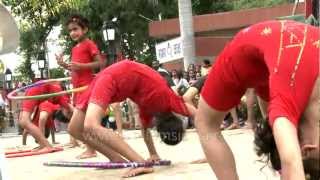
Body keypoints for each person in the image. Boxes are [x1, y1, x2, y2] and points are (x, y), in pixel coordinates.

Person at [195, 20, 319, 179]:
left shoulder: (287, 100)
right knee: (205, 123)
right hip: (244, 54)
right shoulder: (287, 100)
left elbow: (291, 161)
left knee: (281, 132)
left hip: (276, 56)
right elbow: (291, 162)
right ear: (306, 149)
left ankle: (285, 163)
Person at [68, 60, 195, 178]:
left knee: (76, 128)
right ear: (159, 127)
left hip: (114, 76)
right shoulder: (168, 99)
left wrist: (153, 154)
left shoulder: (152, 109)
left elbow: (144, 130)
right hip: (118, 75)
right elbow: (199, 116)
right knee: (86, 126)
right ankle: (134, 162)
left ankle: (124, 159)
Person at [56, 14, 103, 159]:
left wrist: (81, 66)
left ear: (85, 29)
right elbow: (76, 69)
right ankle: (91, 149)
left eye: (75, 29)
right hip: (77, 90)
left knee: (80, 124)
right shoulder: (75, 48)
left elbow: (99, 63)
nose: (72, 33)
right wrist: (64, 65)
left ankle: (94, 148)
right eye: (70, 31)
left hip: (87, 88)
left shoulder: (89, 44)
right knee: (80, 125)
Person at [19, 83, 73, 153]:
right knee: (23, 121)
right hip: (39, 90)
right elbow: (72, 110)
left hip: (38, 91)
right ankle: (45, 145)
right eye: (68, 114)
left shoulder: (56, 103)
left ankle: (46, 145)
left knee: (23, 121)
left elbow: (42, 119)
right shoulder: (59, 102)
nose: (68, 113)